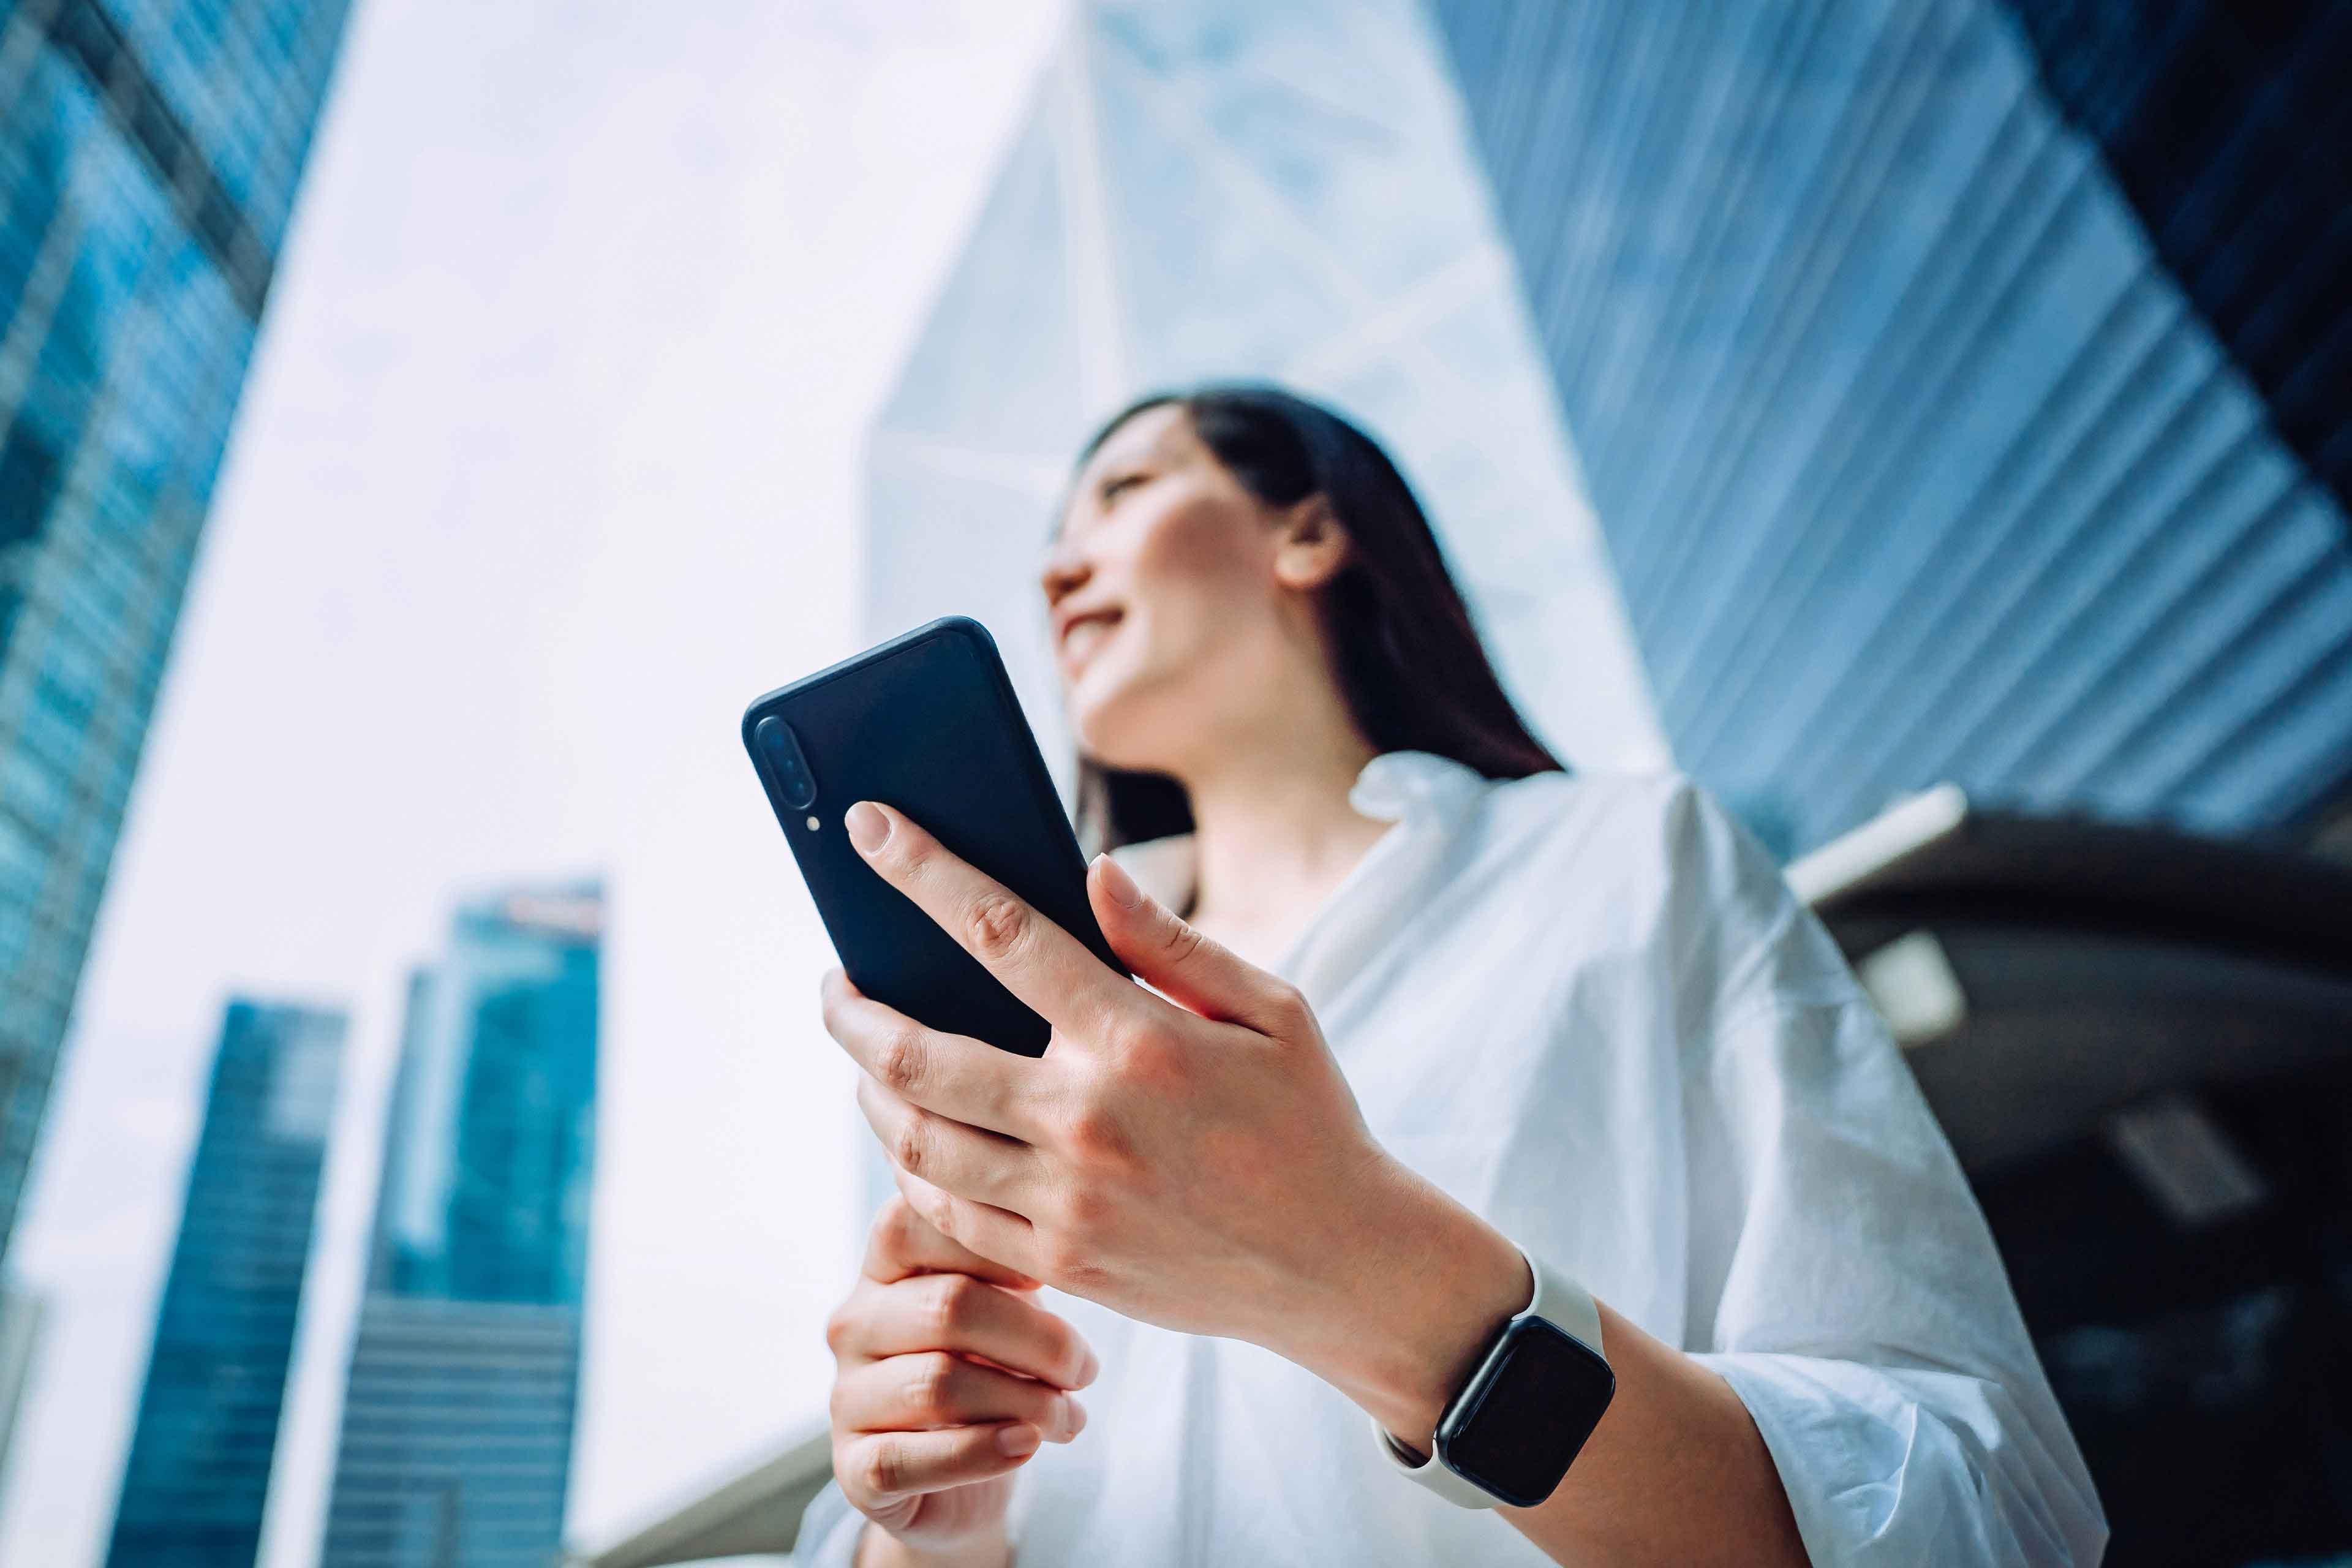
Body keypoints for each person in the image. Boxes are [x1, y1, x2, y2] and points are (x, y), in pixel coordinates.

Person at [794, 385, 2105, 1567]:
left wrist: (1366, 1271)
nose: (1057, 564)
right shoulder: (1025, 1048)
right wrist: (927, 1540)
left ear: (1307, 534)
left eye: (1126, 489)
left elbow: (1972, 1504)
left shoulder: (1631, 861)